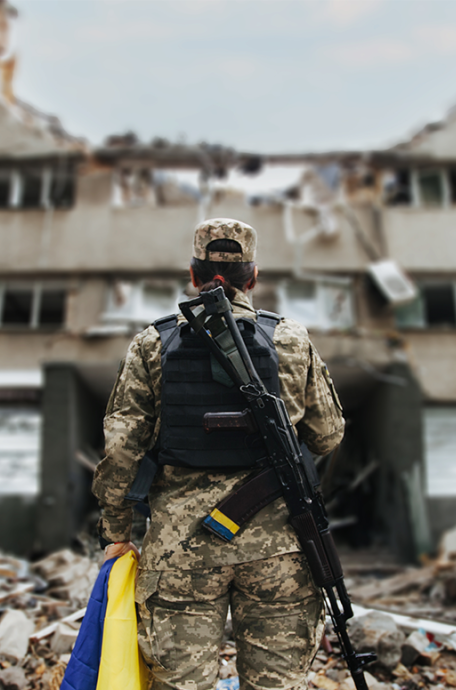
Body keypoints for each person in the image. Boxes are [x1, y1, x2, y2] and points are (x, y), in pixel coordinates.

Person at [92, 218, 345, 690]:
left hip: (181, 552)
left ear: (193, 275)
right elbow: (327, 435)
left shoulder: (153, 342)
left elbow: (121, 448)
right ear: (253, 277)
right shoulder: (291, 340)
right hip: (280, 550)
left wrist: (116, 532)